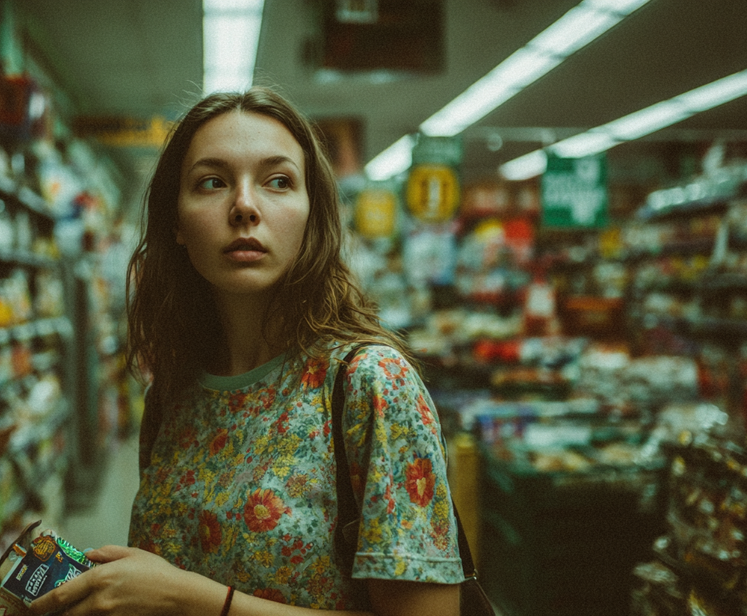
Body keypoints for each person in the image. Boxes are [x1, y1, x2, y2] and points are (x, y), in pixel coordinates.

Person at [30, 87, 464, 616]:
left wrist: (192, 601)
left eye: (278, 181)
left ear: (313, 216)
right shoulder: (173, 393)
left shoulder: (371, 384)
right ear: (176, 224)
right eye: (212, 182)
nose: (244, 206)